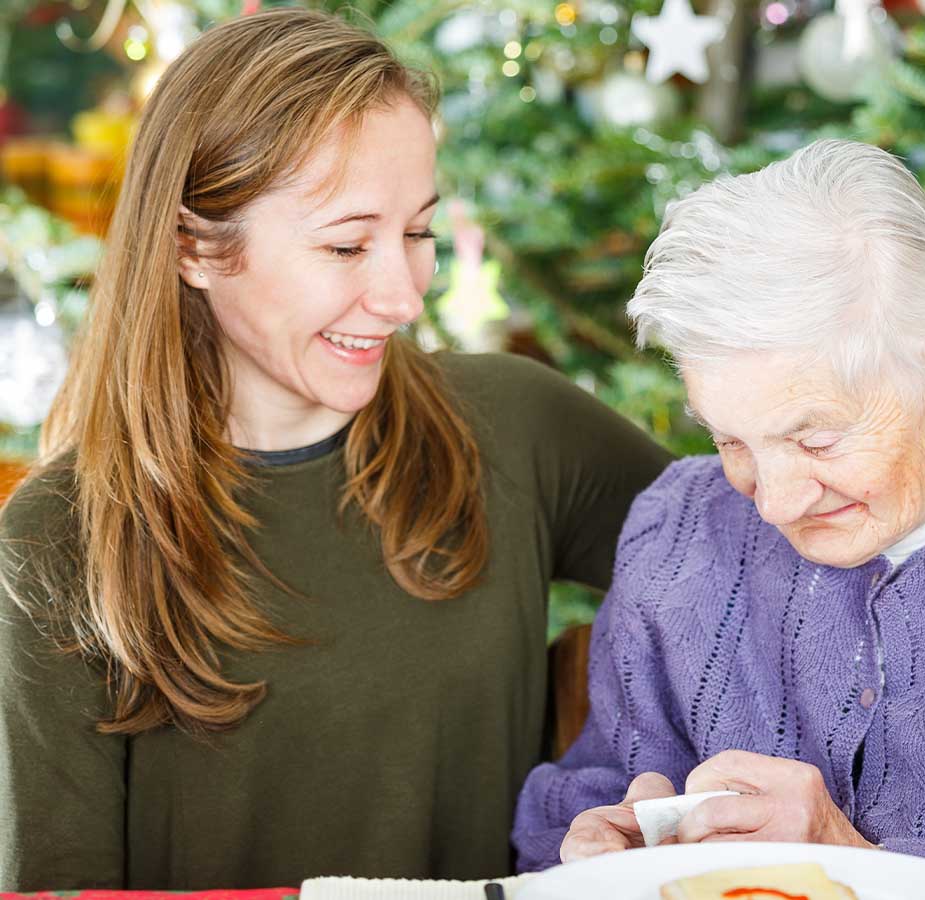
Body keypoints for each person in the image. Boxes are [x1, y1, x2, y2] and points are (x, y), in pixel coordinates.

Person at [0, 9, 671, 890]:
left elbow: (778, 562)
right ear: (193, 246)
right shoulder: (57, 540)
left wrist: (664, 776)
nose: (401, 297)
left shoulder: (520, 429)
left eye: (419, 233)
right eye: (347, 245)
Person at [512, 140, 925, 889]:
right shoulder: (679, 524)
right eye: (729, 440)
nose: (773, 503)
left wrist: (859, 865)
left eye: (816, 439)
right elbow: (581, 799)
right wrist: (591, 848)